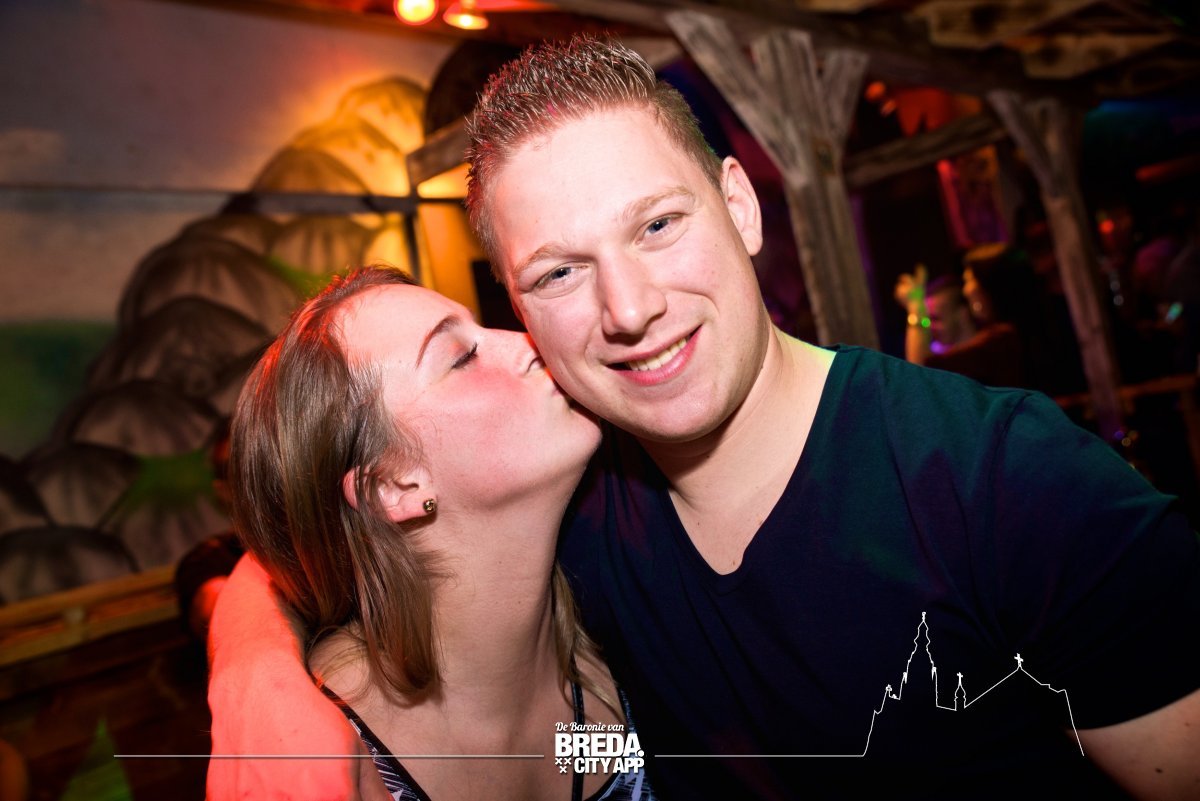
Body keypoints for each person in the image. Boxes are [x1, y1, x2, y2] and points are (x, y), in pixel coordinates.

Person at [207, 37, 1200, 800]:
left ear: (741, 206)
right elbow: (319, 544)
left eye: (657, 224)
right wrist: (259, 675)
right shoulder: (578, 519)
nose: (629, 307)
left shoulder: (1008, 483)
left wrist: (251, 671)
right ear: (522, 307)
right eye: (559, 273)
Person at [214, 267, 654, 801]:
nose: (529, 342)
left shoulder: (597, 689)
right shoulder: (341, 769)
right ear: (393, 487)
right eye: (461, 356)